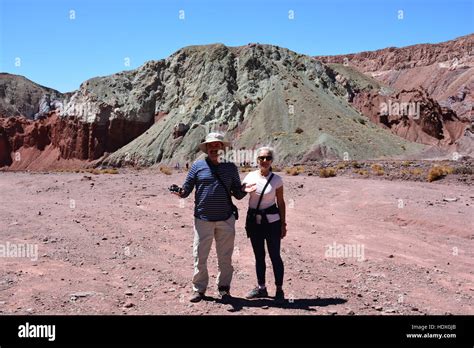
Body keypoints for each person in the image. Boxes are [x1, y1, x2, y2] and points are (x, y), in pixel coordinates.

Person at [171, 132, 255, 303]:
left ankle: (224, 289)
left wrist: (245, 191)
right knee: (200, 256)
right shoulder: (197, 166)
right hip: (203, 219)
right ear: (206, 148)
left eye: (217, 145)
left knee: (225, 257)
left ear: (222, 148)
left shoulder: (230, 167)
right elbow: (186, 190)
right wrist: (179, 192)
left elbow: (237, 194)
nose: (214, 149)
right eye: (211, 146)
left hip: (225, 219)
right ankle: (199, 289)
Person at [242, 147, 287, 303]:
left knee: (275, 256)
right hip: (255, 222)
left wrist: (283, 224)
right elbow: (240, 193)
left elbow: (280, 203)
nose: (264, 161)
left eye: (268, 158)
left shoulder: (277, 180)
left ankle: (279, 290)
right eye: (261, 158)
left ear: (272, 160)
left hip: (272, 223)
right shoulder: (250, 176)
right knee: (259, 256)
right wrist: (244, 189)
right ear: (257, 160)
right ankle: (262, 288)